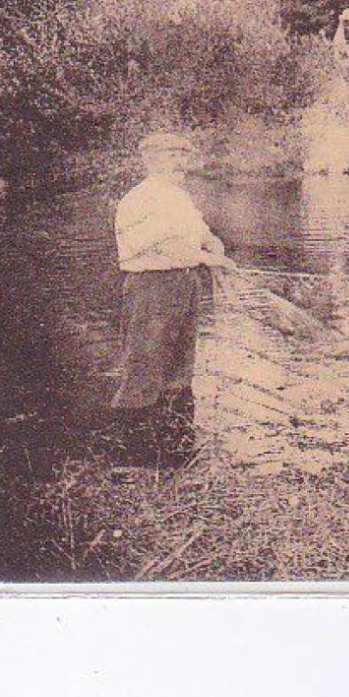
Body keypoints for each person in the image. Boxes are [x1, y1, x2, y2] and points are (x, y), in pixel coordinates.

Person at [111, 132, 235, 466]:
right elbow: (160, 246)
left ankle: (177, 452)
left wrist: (213, 244)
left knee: (181, 367)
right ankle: (133, 459)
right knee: (144, 366)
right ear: (150, 160)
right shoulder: (137, 200)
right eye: (171, 155)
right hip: (151, 287)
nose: (180, 162)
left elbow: (198, 231)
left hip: (185, 284)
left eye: (182, 155)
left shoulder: (178, 197)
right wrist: (207, 259)